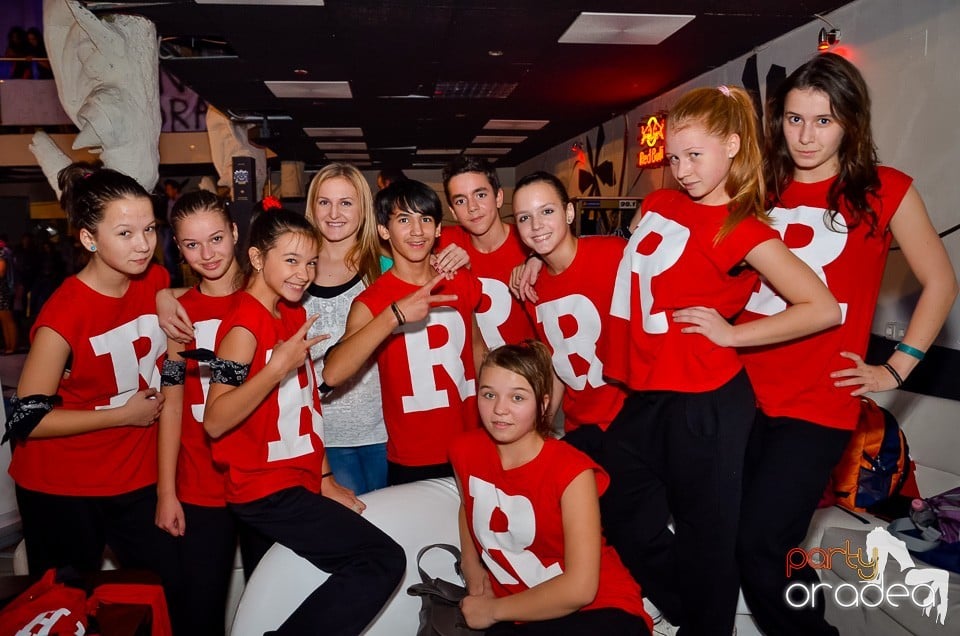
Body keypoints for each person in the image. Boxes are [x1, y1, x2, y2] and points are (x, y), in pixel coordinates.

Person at [598, 85, 841, 635]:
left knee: (707, 538)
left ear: (732, 145)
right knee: (619, 507)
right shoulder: (660, 203)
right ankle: (692, 613)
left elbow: (821, 307)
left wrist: (733, 336)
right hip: (650, 392)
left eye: (695, 155)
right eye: (675, 157)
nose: (682, 169)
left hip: (706, 400)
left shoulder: (743, 229)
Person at [735, 53, 958, 636]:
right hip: (736, 390)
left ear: (851, 123)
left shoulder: (884, 190)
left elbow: (941, 280)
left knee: (763, 542)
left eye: (824, 120)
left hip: (818, 400)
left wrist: (898, 367)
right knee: (750, 540)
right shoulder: (759, 187)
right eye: (793, 119)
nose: (806, 136)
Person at [202, 204, 405, 634]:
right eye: (291, 260)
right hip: (264, 490)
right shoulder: (241, 328)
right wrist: (275, 368)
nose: (303, 273)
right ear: (257, 258)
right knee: (381, 559)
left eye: (310, 262)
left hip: (294, 479)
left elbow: (305, 404)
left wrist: (325, 475)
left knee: (283, 591)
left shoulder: (291, 311)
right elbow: (215, 420)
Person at [5, 162, 184, 629]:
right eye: (124, 233)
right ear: (89, 240)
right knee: (67, 608)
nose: (143, 243)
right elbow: (26, 418)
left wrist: (166, 296)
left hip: (133, 477)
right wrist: (121, 416)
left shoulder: (153, 278)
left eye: (149, 229)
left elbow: (160, 285)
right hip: (62, 486)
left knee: (162, 592)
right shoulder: (64, 315)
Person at [451, 341, 652, 635]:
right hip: (518, 607)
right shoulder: (463, 450)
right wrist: (472, 566)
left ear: (543, 404)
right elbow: (468, 502)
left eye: (517, 397)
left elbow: (580, 589)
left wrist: (492, 611)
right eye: (489, 394)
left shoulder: (572, 470)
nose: (499, 409)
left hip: (597, 608)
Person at [323, 179, 486, 485]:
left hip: (472, 442)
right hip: (413, 455)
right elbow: (332, 374)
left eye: (425, 219)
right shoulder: (372, 301)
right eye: (403, 219)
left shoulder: (460, 282)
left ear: (438, 229)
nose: (416, 231)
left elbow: (479, 351)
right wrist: (394, 316)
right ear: (384, 231)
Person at [155, 190, 244, 635]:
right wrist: (166, 491)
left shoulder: (268, 298)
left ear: (234, 233)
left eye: (215, 239)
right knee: (199, 611)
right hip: (199, 482)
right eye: (192, 245)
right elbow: (171, 404)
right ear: (179, 247)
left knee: (278, 599)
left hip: (261, 480)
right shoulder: (179, 314)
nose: (207, 254)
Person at [510, 171, 627, 459]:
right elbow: (558, 362)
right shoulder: (530, 285)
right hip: (580, 427)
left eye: (547, 211)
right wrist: (541, 426)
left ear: (569, 212)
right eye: (524, 218)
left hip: (630, 423)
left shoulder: (614, 255)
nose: (536, 226)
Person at [301, 163, 391, 495]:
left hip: (383, 431)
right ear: (312, 207)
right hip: (323, 434)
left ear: (363, 209)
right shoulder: (295, 268)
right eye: (324, 202)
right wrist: (166, 294)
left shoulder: (383, 268)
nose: (334, 213)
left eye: (346, 202)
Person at [440, 155, 536, 348]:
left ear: (499, 197)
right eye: (460, 201)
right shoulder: (442, 241)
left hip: (527, 370)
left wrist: (538, 257)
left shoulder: (531, 240)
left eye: (480, 195)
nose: (472, 207)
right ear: (452, 211)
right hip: (470, 374)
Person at [0, 235, 17, 354]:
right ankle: (8, 346)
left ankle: (12, 346)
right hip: (3, 289)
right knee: (3, 319)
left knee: (7, 318)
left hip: (4, 289)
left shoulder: (3, 252)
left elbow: (1, 272)